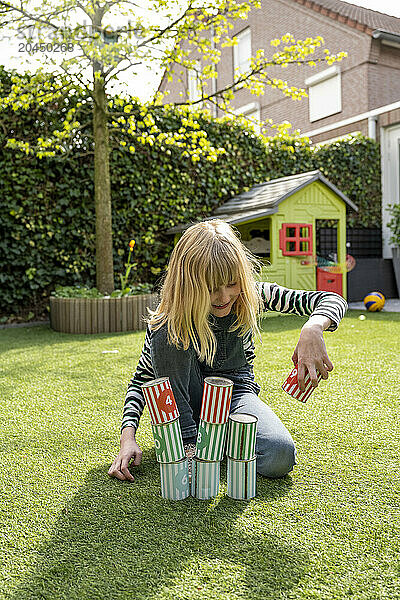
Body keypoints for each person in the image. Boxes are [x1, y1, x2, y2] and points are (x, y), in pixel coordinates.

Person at [108, 219, 347, 483]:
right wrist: (127, 438)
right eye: (210, 289)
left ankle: (214, 439)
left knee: (280, 456)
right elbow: (143, 378)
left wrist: (312, 328)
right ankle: (188, 445)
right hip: (184, 406)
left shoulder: (252, 295)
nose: (223, 297)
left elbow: (331, 299)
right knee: (168, 329)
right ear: (189, 285)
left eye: (231, 283)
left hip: (235, 396)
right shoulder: (171, 314)